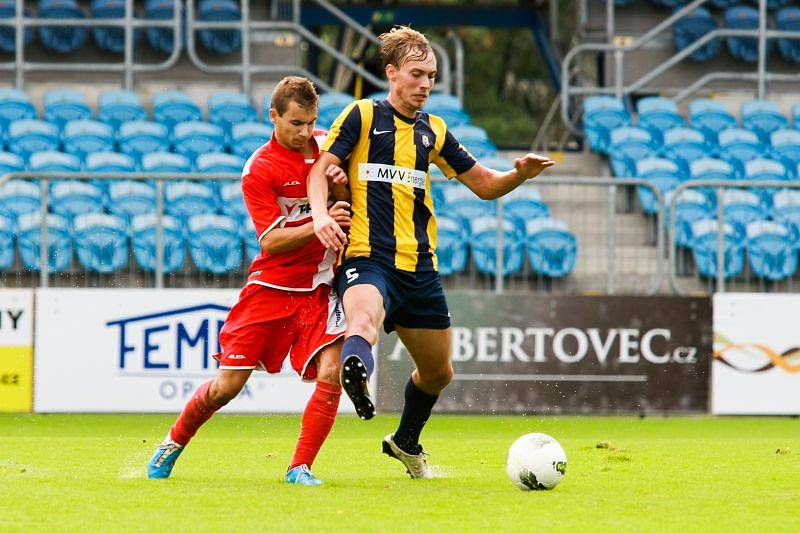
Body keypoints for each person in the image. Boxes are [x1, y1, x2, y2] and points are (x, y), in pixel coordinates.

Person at [307, 26, 555, 479]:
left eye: (432, 76)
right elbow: (321, 169)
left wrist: (519, 174)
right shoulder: (362, 116)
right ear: (392, 73)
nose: (426, 84)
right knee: (362, 320)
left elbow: (483, 184)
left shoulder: (434, 131)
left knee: (439, 373)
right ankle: (356, 372)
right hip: (367, 255)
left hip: (420, 268)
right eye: (417, 74)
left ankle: (405, 442)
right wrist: (321, 215)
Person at [147, 76, 352, 486]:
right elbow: (272, 241)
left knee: (334, 372)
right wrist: (321, 221)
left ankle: (299, 468)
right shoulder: (260, 168)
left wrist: (343, 189)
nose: (304, 132)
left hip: (323, 286)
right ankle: (173, 442)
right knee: (227, 386)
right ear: (272, 116)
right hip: (272, 287)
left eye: (310, 122)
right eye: (295, 122)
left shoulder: (330, 146)